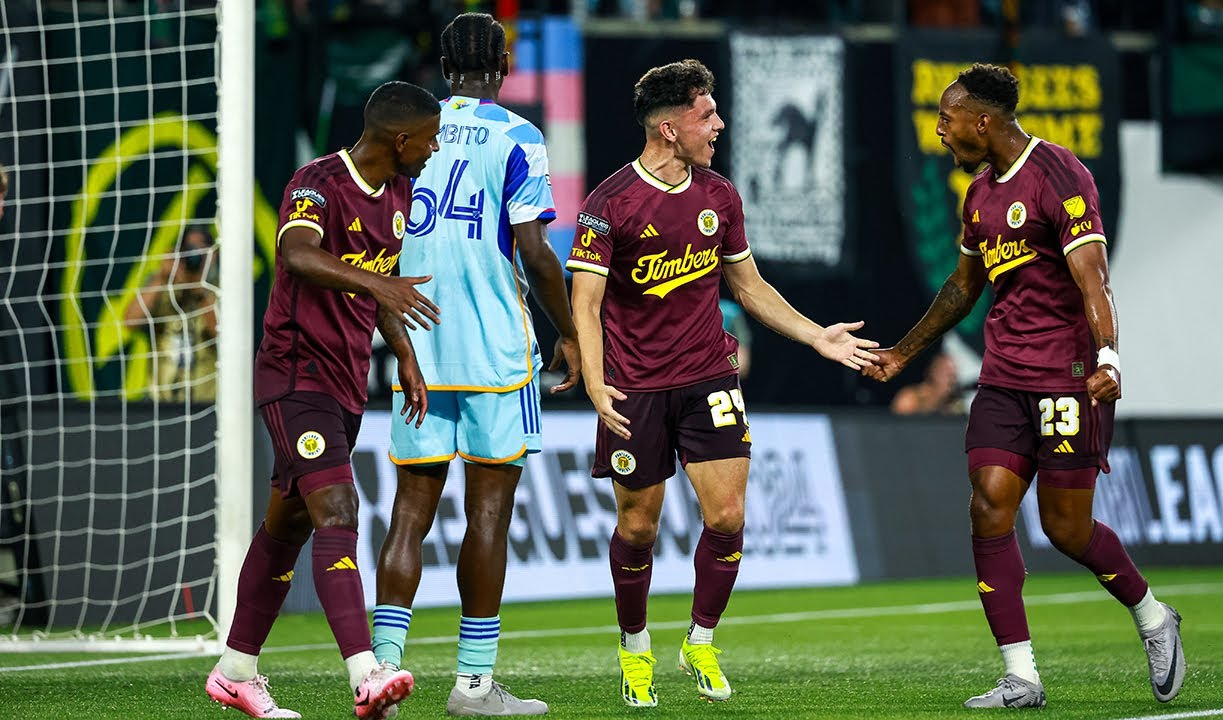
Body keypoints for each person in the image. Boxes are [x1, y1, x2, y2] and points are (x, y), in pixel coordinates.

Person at [863, 63, 1185, 708]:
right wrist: (902, 353)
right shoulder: (978, 194)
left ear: (982, 121)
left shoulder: (1059, 174)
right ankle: (1021, 675)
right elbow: (962, 288)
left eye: (947, 119)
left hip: (1067, 377)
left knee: (1066, 529)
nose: (940, 131)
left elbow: (1094, 279)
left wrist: (1109, 357)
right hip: (1004, 377)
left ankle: (1153, 616)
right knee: (988, 505)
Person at [567, 58, 879, 708]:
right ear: (670, 127)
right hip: (635, 388)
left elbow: (749, 286)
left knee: (729, 516)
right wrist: (595, 382)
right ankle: (636, 649)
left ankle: (701, 640)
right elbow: (586, 303)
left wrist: (816, 335)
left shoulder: (719, 195)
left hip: (710, 375)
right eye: (706, 114)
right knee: (638, 529)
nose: (720, 124)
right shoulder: (608, 204)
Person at [204, 80, 443, 720]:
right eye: (429, 139)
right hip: (294, 372)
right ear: (401, 139)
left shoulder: (399, 195)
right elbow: (298, 254)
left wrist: (406, 355)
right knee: (338, 508)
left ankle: (235, 672)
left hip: (345, 381)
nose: (433, 149)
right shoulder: (318, 182)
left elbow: (379, 287)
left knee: (287, 526)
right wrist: (381, 287)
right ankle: (366, 675)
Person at [371, 13, 580, 718]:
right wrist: (572, 332)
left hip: (417, 344)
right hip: (494, 348)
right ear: (503, 64)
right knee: (487, 515)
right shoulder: (518, 136)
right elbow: (537, 253)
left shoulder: (410, 132)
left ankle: (381, 674)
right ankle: (472, 685)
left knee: (409, 513)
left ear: (443, 66)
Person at [123, 225, 219, 402]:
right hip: (161, 402)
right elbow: (130, 321)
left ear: (214, 254)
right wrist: (161, 276)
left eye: (201, 249)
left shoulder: (221, 288)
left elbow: (223, 335)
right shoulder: (163, 287)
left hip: (207, 401)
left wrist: (198, 289)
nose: (195, 255)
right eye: (189, 249)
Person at [890, 351, 964, 415]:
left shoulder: (954, 403)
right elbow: (896, 424)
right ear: (933, 373)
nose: (951, 380)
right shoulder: (910, 399)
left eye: (954, 375)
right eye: (947, 374)